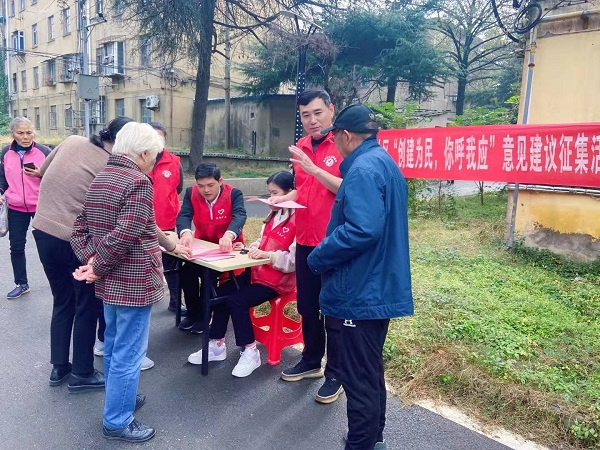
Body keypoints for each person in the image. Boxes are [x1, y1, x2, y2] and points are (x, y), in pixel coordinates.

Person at [71, 122, 188, 443]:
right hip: (132, 282)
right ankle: (117, 419)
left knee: (114, 345)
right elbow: (125, 235)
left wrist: (94, 263)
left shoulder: (102, 177)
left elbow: (78, 229)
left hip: (110, 283)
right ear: (145, 153)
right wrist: (98, 266)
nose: (155, 162)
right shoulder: (138, 182)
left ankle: (120, 398)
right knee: (128, 351)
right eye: (155, 156)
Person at [307, 104, 414, 450]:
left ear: (346, 136)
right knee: (368, 372)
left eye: (335, 137)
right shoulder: (382, 163)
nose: (334, 145)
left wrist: (319, 255)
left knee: (358, 378)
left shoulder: (363, 170)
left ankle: (362, 443)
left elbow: (362, 229)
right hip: (376, 285)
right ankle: (372, 439)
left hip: (361, 289)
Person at [33, 117, 132, 391]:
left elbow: (42, 170)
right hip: (74, 240)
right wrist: (169, 245)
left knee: (61, 300)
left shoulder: (72, 141)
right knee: (87, 304)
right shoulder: (111, 166)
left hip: (42, 231)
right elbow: (130, 216)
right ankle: (83, 372)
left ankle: (59, 367)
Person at [187, 171, 296, 378]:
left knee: (237, 300)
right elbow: (261, 242)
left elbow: (292, 261)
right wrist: (245, 248)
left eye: (275, 193)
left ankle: (251, 351)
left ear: (290, 193)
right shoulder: (275, 214)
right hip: (259, 273)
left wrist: (268, 256)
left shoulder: (299, 220)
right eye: (269, 193)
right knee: (221, 291)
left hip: (278, 281)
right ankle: (216, 344)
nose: (271, 199)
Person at [276, 89, 344, 404]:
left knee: (334, 309)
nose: (313, 120)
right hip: (304, 239)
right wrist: (282, 199)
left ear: (331, 109)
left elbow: (347, 187)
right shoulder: (301, 147)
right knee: (307, 305)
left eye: (318, 112)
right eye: (306, 115)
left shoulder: (344, 143)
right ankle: (311, 360)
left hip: (334, 242)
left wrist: (316, 169)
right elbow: (304, 190)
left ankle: (337, 373)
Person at [176, 162, 247, 334]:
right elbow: (184, 215)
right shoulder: (191, 193)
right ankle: (193, 313)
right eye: (201, 186)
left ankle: (204, 317)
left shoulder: (233, 194)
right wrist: (185, 233)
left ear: (220, 181)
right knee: (186, 274)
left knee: (209, 278)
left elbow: (240, 216)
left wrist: (229, 235)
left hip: (226, 248)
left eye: (210, 185)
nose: (205, 190)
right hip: (202, 247)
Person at [0, 117, 50, 299]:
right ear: (12, 134)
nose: (25, 137)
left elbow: (55, 178)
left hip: (41, 207)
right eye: (20, 133)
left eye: (29, 132)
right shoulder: (6, 152)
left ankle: (58, 284)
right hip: (15, 208)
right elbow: (2, 179)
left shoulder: (44, 151)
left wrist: (40, 173)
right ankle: (21, 283)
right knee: (17, 247)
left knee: (47, 248)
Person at [148, 122, 186, 316]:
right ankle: (145, 297)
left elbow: (178, 188)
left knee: (171, 264)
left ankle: (175, 301)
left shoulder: (174, 161)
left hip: (167, 222)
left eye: (160, 136)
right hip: (143, 223)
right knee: (144, 262)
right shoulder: (138, 160)